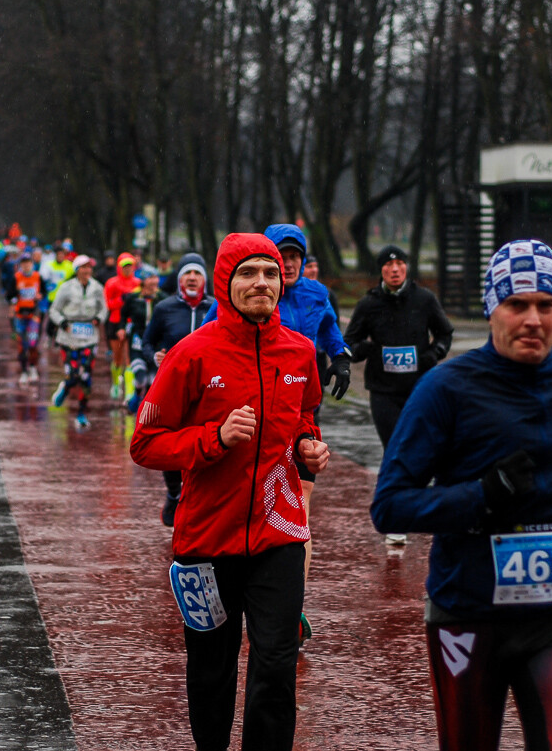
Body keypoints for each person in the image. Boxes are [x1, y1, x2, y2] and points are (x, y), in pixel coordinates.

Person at [370, 238, 552, 751]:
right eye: (516, 304)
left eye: (546, 306)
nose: (533, 320)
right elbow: (389, 504)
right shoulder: (446, 388)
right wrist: (481, 495)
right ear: (491, 308)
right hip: (468, 610)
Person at [130, 233, 330, 751]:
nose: (261, 282)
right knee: (212, 672)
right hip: (205, 540)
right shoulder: (190, 354)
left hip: (279, 534)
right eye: (247, 274)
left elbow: (305, 416)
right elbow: (144, 444)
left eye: (269, 272)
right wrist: (213, 439)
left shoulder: (301, 351)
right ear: (226, 283)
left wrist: (310, 446)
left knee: (276, 670)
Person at [201, 223, 351, 640]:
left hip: (299, 413)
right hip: (248, 416)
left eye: (294, 256)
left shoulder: (318, 295)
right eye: (279, 255)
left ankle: (290, 608)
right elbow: (212, 335)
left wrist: (340, 358)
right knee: (250, 508)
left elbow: (330, 331)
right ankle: (245, 592)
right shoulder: (249, 292)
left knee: (298, 513)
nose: (287, 263)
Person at [344, 244, 455, 546]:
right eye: (389, 265)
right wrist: (362, 350)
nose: (395, 270)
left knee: (426, 448)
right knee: (394, 449)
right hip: (383, 391)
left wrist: (434, 354)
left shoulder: (424, 299)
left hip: (420, 389)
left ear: (407, 267)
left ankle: (430, 507)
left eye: (400, 264)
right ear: (380, 270)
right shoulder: (369, 304)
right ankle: (396, 519)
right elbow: (349, 343)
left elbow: (445, 333)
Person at [140, 252, 215, 523]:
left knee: (202, 441)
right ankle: (174, 493)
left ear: (204, 280)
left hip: (208, 387)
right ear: (180, 279)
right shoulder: (165, 308)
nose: (192, 278)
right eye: (187, 274)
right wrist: (154, 357)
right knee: (170, 443)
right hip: (172, 386)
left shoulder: (216, 307)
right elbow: (145, 343)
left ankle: (197, 499)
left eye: (197, 273)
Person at [48, 255, 107, 428]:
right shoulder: (66, 288)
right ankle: (66, 387)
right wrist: (62, 322)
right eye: (83, 267)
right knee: (74, 374)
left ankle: (82, 413)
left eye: (89, 267)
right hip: (69, 337)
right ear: (77, 270)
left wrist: (98, 318)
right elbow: (54, 310)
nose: (87, 271)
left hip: (89, 337)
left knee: (86, 376)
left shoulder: (97, 288)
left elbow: (104, 309)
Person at [119, 267, 166, 415]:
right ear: (143, 281)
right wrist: (121, 328)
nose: (154, 281)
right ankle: (137, 395)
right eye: (150, 278)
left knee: (152, 382)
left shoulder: (163, 298)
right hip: (137, 343)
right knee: (140, 378)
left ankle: (144, 412)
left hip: (155, 345)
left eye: (156, 277)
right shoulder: (133, 298)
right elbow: (123, 314)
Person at [105, 253, 141, 400]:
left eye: (130, 266)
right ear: (119, 267)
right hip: (115, 322)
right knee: (118, 357)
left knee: (130, 359)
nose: (127, 269)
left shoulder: (138, 283)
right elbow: (108, 304)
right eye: (124, 266)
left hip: (131, 323)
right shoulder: (112, 283)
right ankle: (115, 383)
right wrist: (121, 300)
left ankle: (129, 391)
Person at [10, 254, 44, 384]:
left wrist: (39, 297)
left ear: (32, 263)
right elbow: (9, 294)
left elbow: (44, 292)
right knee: (22, 345)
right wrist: (13, 299)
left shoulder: (38, 277)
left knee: (33, 344)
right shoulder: (16, 278)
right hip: (20, 316)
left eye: (28, 262)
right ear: (20, 265)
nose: (26, 265)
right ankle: (24, 371)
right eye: (23, 263)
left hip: (34, 316)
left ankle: (33, 368)